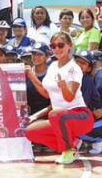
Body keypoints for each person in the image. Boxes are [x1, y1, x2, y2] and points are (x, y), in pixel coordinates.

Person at [25, 32, 94, 164]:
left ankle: (67, 151)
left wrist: (63, 86)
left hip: (81, 116)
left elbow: (69, 98)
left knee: (55, 114)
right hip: (59, 118)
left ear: (69, 46)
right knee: (31, 132)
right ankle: (72, 145)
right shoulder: (52, 66)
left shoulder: (74, 68)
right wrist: (31, 75)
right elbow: (46, 93)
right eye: (53, 45)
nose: (57, 48)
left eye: (60, 44)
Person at [25, 42, 51, 115]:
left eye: (40, 54)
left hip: (46, 115)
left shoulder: (51, 73)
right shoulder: (25, 72)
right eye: (34, 54)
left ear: (47, 56)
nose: (36, 57)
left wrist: (35, 116)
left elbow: (54, 103)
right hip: (28, 114)